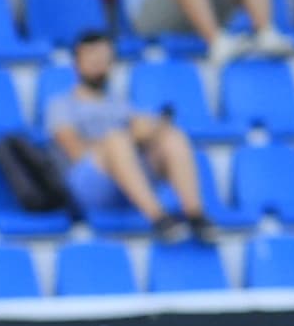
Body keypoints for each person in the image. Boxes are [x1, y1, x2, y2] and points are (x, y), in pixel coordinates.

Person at [47, 31, 208, 234]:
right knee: (117, 140)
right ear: (77, 62)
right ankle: (159, 218)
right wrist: (123, 140)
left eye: (103, 58)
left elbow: (138, 132)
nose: (98, 64)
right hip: (88, 184)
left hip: (127, 179)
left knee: (171, 136)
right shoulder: (61, 105)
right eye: (92, 57)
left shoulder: (121, 104)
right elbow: (76, 151)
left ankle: (195, 215)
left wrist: (152, 129)